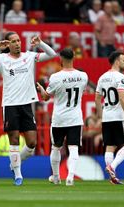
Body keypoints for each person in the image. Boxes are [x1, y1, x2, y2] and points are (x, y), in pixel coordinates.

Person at [0, 32, 56, 186]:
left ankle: (14, 164)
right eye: (13, 41)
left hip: (27, 105)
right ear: (8, 44)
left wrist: (40, 43)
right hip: (10, 105)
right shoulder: (2, 59)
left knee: (31, 143)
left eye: (18, 41)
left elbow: (52, 54)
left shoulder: (29, 56)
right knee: (14, 141)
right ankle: (18, 175)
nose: (17, 43)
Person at [37, 48, 88, 186]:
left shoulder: (55, 77)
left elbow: (46, 97)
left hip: (59, 118)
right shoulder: (83, 76)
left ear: (61, 59)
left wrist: (41, 89)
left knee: (56, 147)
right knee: (74, 148)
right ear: (74, 58)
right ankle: (70, 177)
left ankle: (56, 177)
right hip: (75, 118)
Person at [95, 51, 124, 185]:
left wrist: (100, 116)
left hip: (107, 117)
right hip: (119, 116)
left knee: (110, 147)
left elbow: (97, 99)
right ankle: (112, 167)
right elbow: (122, 97)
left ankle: (112, 177)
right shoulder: (120, 77)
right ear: (117, 61)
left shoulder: (102, 77)